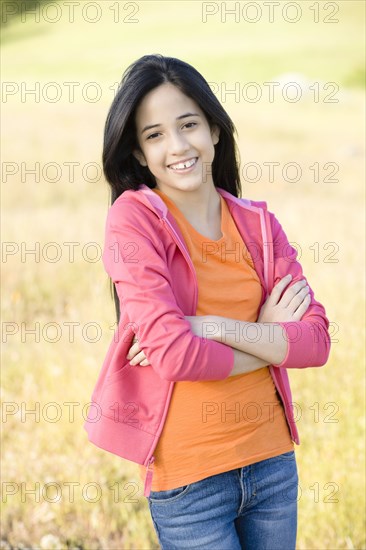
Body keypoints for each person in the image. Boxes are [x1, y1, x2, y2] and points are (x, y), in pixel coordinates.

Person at [84, 54, 331, 550]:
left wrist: (209, 327)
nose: (177, 146)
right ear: (137, 153)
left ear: (214, 131)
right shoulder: (133, 222)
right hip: (191, 482)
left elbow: (317, 344)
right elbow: (175, 357)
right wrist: (267, 336)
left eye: (189, 124)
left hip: (272, 464)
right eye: (154, 134)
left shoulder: (260, 225)